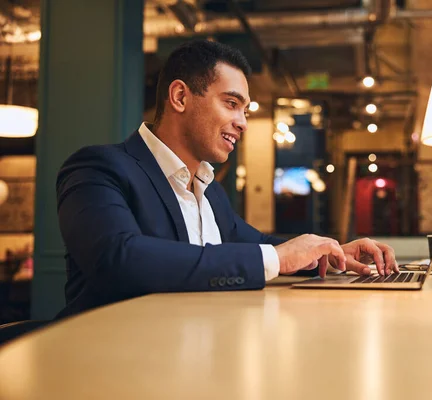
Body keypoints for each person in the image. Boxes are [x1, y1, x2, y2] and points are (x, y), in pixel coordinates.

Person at [55, 39, 398, 318]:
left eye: (245, 111)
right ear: (180, 97)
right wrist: (278, 259)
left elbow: (256, 243)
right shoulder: (100, 167)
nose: (243, 122)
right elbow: (118, 258)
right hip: (110, 360)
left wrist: (330, 252)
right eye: (231, 103)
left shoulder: (209, 190)